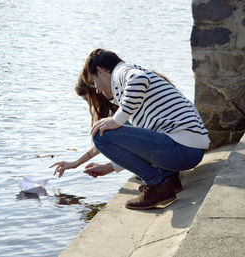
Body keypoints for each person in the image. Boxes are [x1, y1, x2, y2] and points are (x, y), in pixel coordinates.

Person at [51, 48, 210, 210]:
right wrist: (96, 165)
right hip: (190, 150)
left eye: (94, 82)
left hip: (181, 149)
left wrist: (115, 120)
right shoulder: (126, 81)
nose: (97, 89)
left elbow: (139, 79)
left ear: (100, 71)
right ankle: (169, 181)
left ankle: (158, 186)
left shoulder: (120, 72)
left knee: (102, 135)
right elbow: (134, 144)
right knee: (114, 128)